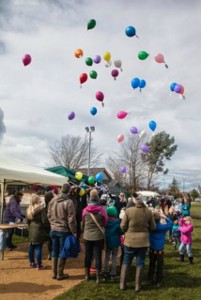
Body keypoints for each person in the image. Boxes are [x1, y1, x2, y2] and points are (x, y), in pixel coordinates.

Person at [120, 193, 156, 292]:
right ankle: (137, 286)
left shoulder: (128, 211)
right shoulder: (148, 212)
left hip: (130, 241)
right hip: (143, 241)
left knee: (126, 262)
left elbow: (122, 226)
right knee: (140, 263)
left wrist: (127, 231)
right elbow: (153, 227)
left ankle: (123, 284)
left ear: (134, 201)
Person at [47, 183, 77, 280]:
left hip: (53, 229)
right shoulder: (69, 202)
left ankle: (54, 273)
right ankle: (59, 273)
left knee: (54, 250)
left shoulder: (52, 200)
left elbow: (48, 214)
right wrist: (74, 231)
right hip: (63, 230)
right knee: (62, 252)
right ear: (69, 191)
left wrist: (52, 223)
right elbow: (71, 219)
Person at [82, 189, 108, 283]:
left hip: (87, 236)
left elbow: (84, 221)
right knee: (98, 256)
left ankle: (87, 276)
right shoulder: (102, 210)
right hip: (98, 236)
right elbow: (105, 222)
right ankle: (98, 277)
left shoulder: (85, 210)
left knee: (88, 255)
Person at [148, 211, 172, 287]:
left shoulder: (150, 227)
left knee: (152, 264)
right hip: (160, 249)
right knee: (160, 265)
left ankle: (150, 278)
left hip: (152, 248)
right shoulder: (163, 227)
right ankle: (159, 280)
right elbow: (171, 223)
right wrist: (165, 217)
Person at [27, 195, 50, 270]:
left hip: (31, 229)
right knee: (38, 247)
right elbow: (44, 221)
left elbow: (28, 221)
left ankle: (31, 263)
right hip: (39, 229)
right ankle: (39, 265)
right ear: (38, 200)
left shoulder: (29, 209)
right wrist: (48, 228)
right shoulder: (41, 209)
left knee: (31, 246)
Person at [104, 206, 123, 279]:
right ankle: (113, 271)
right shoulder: (118, 223)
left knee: (107, 256)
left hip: (108, 241)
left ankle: (106, 270)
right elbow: (121, 232)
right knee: (114, 257)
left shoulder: (106, 222)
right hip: (115, 242)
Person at [44, 190, 54, 260]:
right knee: (53, 240)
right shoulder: (52, 206)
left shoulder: (45, 207)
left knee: (49, 240)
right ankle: (52, 253)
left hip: (48, 225)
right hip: (52, 225)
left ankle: (50, 253)